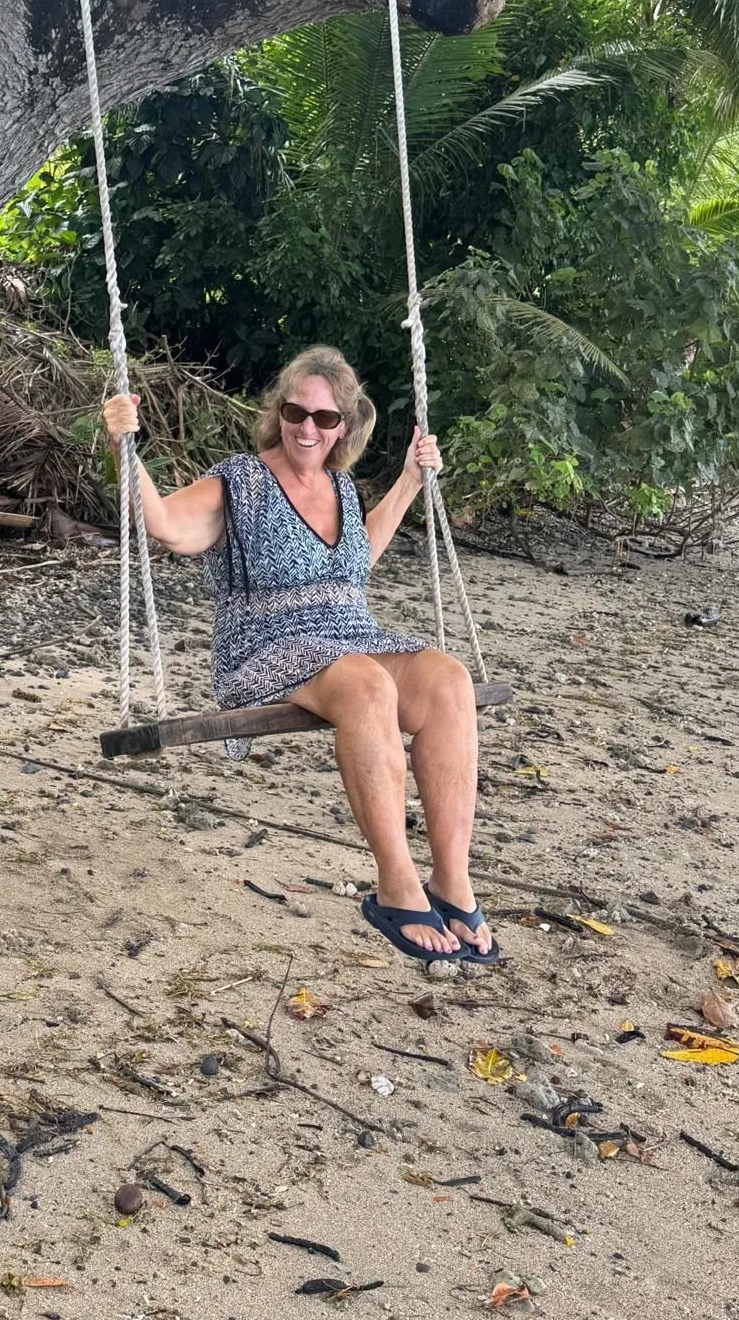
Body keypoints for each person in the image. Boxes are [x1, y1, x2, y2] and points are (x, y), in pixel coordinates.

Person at [102, 344, 497, 965]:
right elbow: (165, 526)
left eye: (324, 418)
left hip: (351, 634)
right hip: (267, 642)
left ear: (346, 424)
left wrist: (410, 483)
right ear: (277, 412)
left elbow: (355, 561)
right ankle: (397, 886)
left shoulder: (340, 486)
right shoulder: (239, 482)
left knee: (448, 678)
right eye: (295, 412)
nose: (307, 428)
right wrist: (124, 447)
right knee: (368, 687)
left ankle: (451, 880)